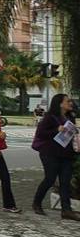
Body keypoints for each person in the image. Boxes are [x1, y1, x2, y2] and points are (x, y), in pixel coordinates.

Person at [31, 93, 80, 221]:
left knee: (65, 182)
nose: (70, 103)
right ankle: (37, 203)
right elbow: (41, 133)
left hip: (67, 154)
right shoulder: (50, 118)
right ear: (60, 103)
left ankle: (66, 210)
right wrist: (56, 130)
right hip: (50, 153)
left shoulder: (70, 116)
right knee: (50, 179)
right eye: (67, 101)